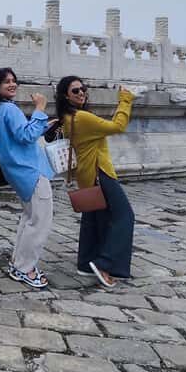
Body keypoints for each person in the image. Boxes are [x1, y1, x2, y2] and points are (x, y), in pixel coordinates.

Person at [55, 76, 135, 289]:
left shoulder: (67, 118)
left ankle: (85, 263)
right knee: (124, 216)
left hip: (86, 175)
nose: (81, 92)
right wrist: (125, 99)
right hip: (100, 172)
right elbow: (118, 126)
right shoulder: (81, 117)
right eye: (75, 91)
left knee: (93, 219)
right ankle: (104, 263)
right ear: (65, 96)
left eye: (83, 88)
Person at [0, 68, 55, 288]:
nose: (12, 84)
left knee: (29, 217)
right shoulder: (9, 109)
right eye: (6, 82)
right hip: (30, 171)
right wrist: (40, 108)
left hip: (19, 172)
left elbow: (20, 134)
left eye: (14, 80)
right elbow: (26, 136)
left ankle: (19, 262)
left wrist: (42, 124)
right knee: (39, 221)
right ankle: (25, 268)